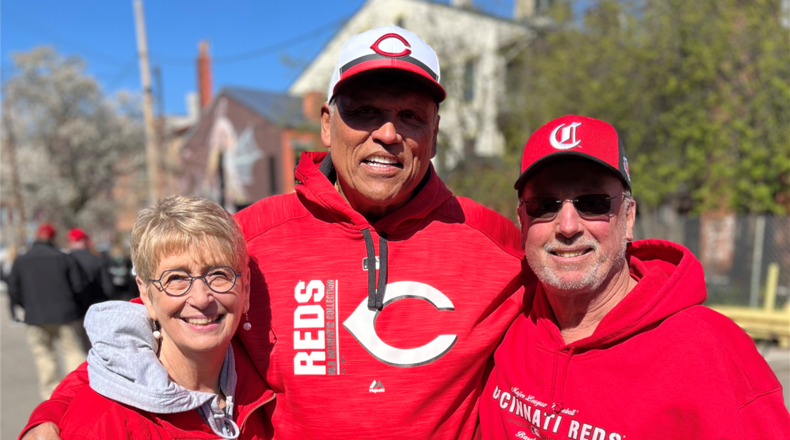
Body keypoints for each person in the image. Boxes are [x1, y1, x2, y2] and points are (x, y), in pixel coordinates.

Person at [21, 26, 531, 439]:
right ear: (328, 125)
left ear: (435, 133)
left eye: (410, 117)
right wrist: (56, 413)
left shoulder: (496, 243)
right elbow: (140, 335)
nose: (388, 134)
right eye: (366, 112)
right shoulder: (252, 236)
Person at [480, 115, 790, 439]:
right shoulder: (501, 321)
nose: (568, 226)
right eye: (544, 205)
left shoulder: (709, 351)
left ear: (628, 217)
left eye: (592, 203)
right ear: (522, 221)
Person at [55, 196, 273, 439]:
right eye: (176, 278)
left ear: (245, 289)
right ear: (146, 294)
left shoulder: (266, 385)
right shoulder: (103, 421)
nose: (201, 299)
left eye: (219, 274)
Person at [8, 223, 86, 400]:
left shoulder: (21, 260)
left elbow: (14, 290)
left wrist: (27, 306)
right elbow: (78, 287)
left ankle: (51, 398)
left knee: (43, 356)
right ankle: (79, 393)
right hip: (66, 315)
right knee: (72, 352)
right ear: (53, 238)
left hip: (36, 317)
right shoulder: (63, 258)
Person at [67, 228, 113, 312]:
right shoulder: (96, 260)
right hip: (96, 306)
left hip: (75, 310)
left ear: (71, 241)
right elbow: (108, 288)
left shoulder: (65, 260)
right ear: (85, 240)